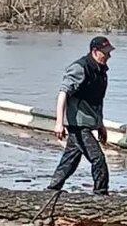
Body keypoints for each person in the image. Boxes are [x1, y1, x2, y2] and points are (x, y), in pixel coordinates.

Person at [47, 36, 113, 194]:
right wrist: (59, 123)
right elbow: (63, 93)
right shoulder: (80, 68)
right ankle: (101, 195)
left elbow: (96, 102)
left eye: (109, 52)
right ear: (95, 51)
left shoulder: (101, 72)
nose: (109, 56)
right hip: (78, 126)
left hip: (88, 124)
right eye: (105, 53)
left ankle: (51, 190)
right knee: (98, 159)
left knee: (69, 161)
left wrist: (101, 126)